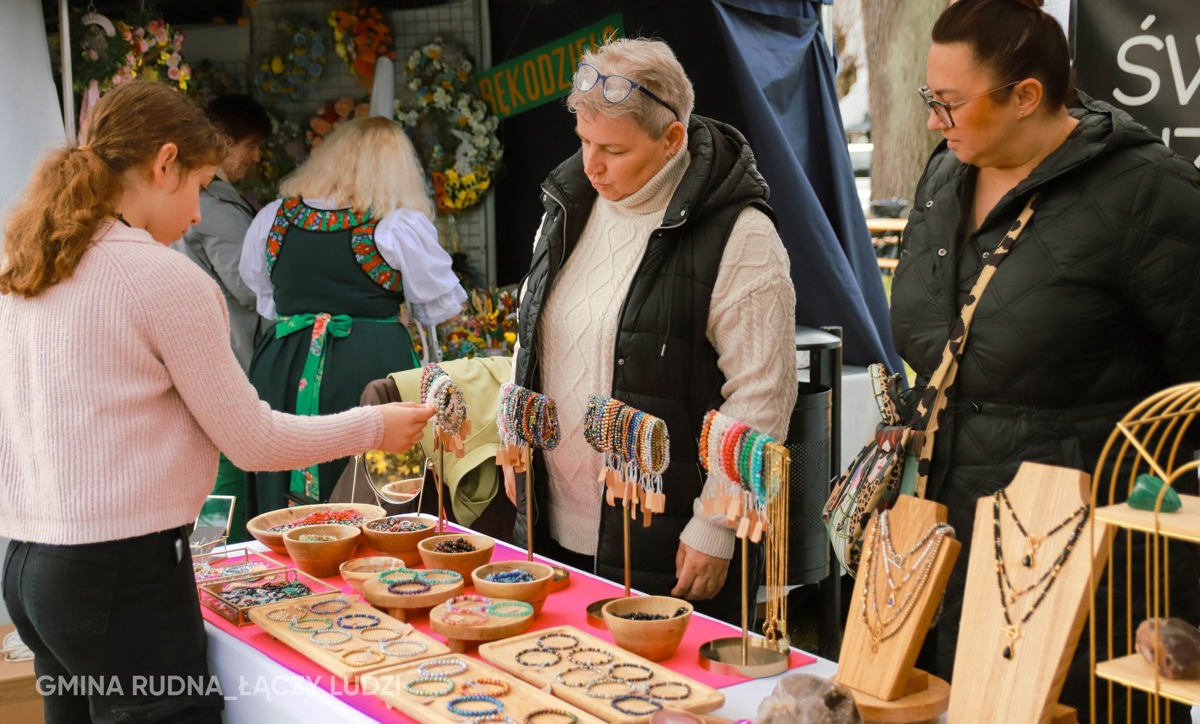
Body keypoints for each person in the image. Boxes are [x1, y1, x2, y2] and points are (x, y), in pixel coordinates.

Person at [0, 81, 436, 724]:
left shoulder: (31, 260)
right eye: (202, 186)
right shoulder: (163, 278)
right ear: (165, 163)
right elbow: (253, 441)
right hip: (120, 572)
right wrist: (375, 425)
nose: (201, 216)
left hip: (29, 566)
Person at [889, 0, 1200, 716]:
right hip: (940, 534)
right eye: (929, 97)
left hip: (1082, 560)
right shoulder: (946, 172)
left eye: (948, 102)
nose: (932, 121)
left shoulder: (1149, 194)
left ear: (1026, 95)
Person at [506, 37, 797, 623]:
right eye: (584, 141)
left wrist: (716, 523)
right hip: (549, 522)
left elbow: (762, 394)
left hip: (667, 538)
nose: (591, 165)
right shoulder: (566, 206)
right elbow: (531, 335)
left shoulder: (740, 235)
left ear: (671, 139)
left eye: (613, 149)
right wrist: (512, 436)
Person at [240, 115, 466, 514]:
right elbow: (439, 307)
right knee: (373, 479)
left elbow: (265, 296)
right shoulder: (396, 226)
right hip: (368, 363)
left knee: (280, 459)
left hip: (284, 362)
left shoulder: (274, 217)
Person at [174, 93, 273, 543]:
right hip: (232, 354)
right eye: (251, 146)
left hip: (213, 353)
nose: (255, 157)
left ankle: (209, 557)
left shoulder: (207, 200)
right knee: (227, 475)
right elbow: (249, 287)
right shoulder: (214, 207)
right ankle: (215, 562)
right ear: (225, 142)